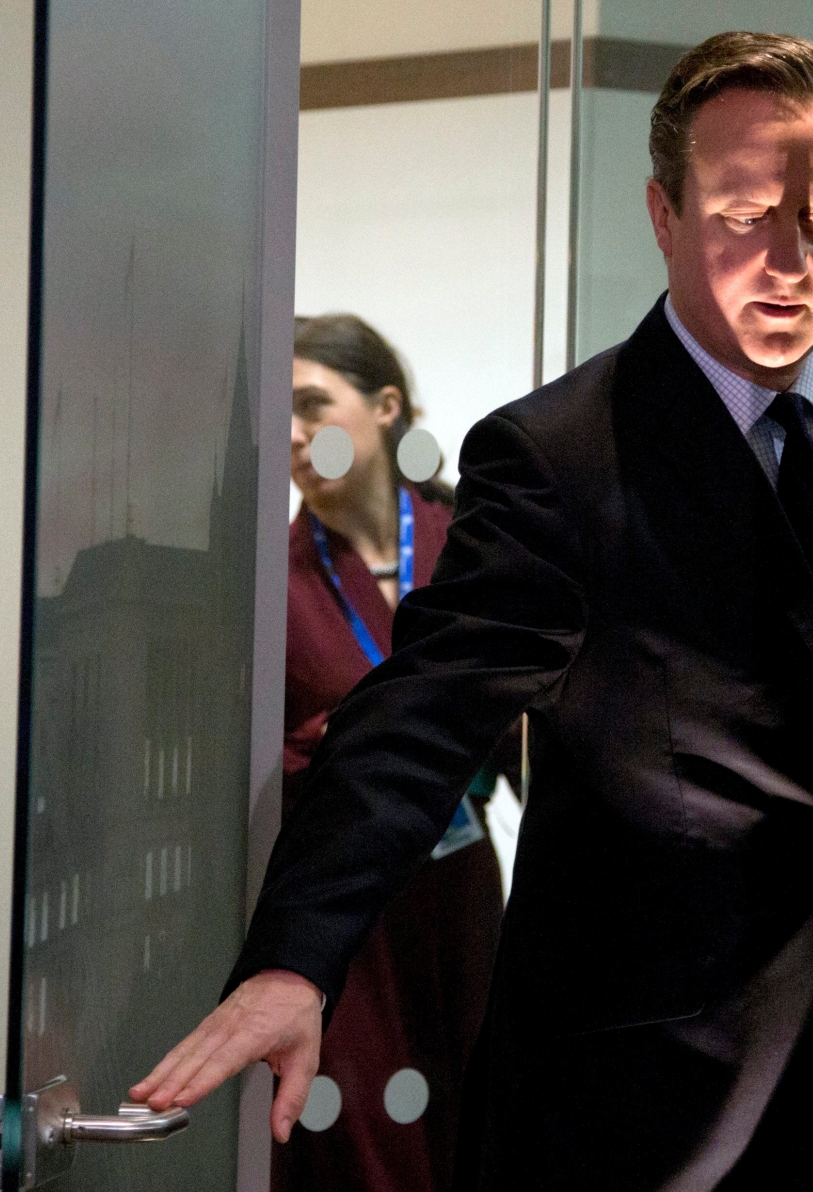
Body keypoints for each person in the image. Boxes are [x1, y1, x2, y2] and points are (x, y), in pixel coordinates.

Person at [134, 32, 813, 1191]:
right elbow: (417, 720)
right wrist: (295, 962)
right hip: (650, 1111)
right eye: (742, 213)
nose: (788, 259)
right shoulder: (556, 458)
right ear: (663, 215)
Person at [282, 314, 504, 1191]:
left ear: (385, 408)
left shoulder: (471, 548)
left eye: (312, 404)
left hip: (460, 888)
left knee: (479, 1122)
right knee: (373, 1148)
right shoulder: (275, 577)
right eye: (282, 413)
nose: (295, 433)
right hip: (353, 916)